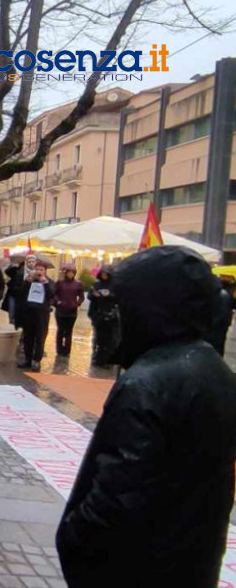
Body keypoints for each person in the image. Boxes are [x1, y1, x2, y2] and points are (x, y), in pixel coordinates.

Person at [57, 246, 236, 587]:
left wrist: (77, 541)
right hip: (192, 563)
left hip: (138, 567)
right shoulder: (216, 370)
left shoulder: (147, 384)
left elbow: (115, 499)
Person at [17, 260, 55, 372]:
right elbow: (21, 293)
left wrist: (46, 284)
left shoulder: (49, 282)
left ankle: (37, 360)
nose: (39, 271)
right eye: (37, 269)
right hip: (29, 313)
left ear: (45, 271)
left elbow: (51, 295)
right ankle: (28, 359)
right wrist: (27, 282)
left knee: (40, 338)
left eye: (41, 269)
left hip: (42, 314)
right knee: (28, 337)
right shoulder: (30, 280)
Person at [87, 267, 119, 367]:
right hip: (98, 315)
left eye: (106, 274)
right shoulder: (96, 285)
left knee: (110, 340)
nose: (104, 276)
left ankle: (107, 360)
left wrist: (109, 295)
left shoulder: (113, 286)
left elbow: (118, 298)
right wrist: (94, 295)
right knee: (98, 339)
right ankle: (97, 359)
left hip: (111, 316)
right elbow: (89, 296)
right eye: (102, 274)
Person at [52, 266, 85, 357]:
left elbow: (81, 296)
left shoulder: (78, 284)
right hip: (61, 310)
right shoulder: (60, 283)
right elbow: (54, 293)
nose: (70, 274)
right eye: (69, 272)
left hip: (72, 311)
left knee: (69, 331)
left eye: (72, 273)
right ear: (66, 273)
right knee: (60, 330)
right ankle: (59, 349)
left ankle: (67, 350)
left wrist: (77, 303)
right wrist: (57, 301)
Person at [208, 276, 234, 356]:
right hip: (221, 326)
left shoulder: (213, 294)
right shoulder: (226, 296)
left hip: (212, 326)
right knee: (219, 346)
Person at [2, 257, 28, 329]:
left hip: (22, 296)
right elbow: (6, 274)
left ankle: (18, 328)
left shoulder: (29, 273)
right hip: (13, 294)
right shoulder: (14, 270)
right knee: (12, 314)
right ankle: (12, 327)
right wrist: (12, 266)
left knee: (20, 315)